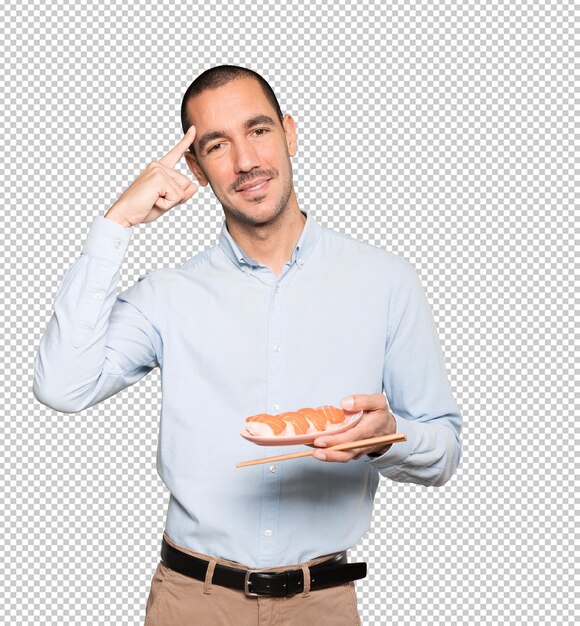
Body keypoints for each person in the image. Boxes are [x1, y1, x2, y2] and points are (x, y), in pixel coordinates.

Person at [32, 65, 463, 626]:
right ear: (196, 168)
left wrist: (385, 440)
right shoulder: (168, 295)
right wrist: (117, 223)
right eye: (217, 145)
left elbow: (444, 449)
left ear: (290, 133)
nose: (245, 162)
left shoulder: (385, 281)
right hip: (192, 602)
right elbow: (62, 386)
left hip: (323, 605)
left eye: (258, 131)